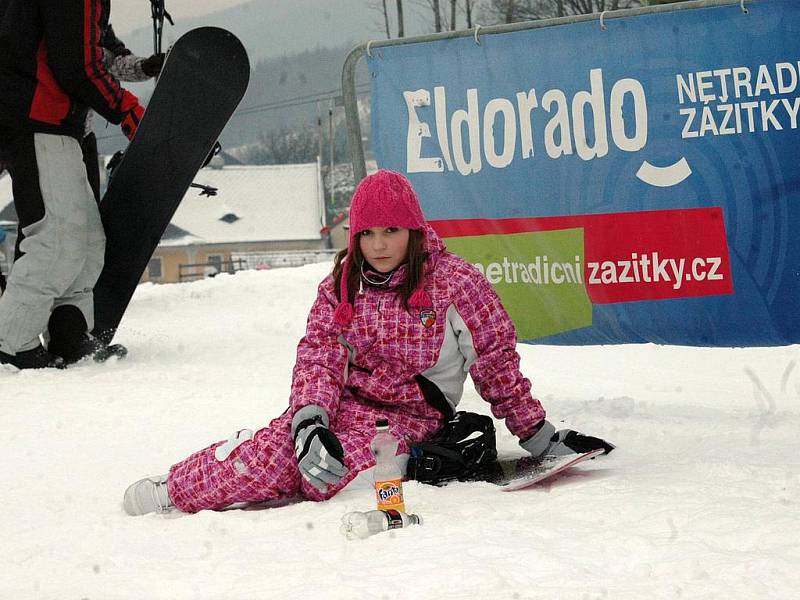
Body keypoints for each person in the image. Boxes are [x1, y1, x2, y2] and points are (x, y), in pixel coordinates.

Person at [123, 170, 611, 516]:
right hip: (340, 407)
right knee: (274, 455)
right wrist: (309, 421)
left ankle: (413, 461)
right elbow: (319, 355)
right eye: (368, 233)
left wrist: (540, 439)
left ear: (414, 230)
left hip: (407, 420)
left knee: (333, 477)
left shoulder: (456, 285)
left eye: (392, 231)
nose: (378, 245)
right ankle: (174, 487)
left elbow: (496, 365)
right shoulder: (342, 287)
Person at [0, 0, 147, 369]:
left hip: (52, 118)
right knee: (56, 237)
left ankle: (68, 331)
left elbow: (91, 46)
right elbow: (77, 65)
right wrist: (126, 110)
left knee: (86, 240)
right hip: (36, 117)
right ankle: (10, 343)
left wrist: (140, 69)